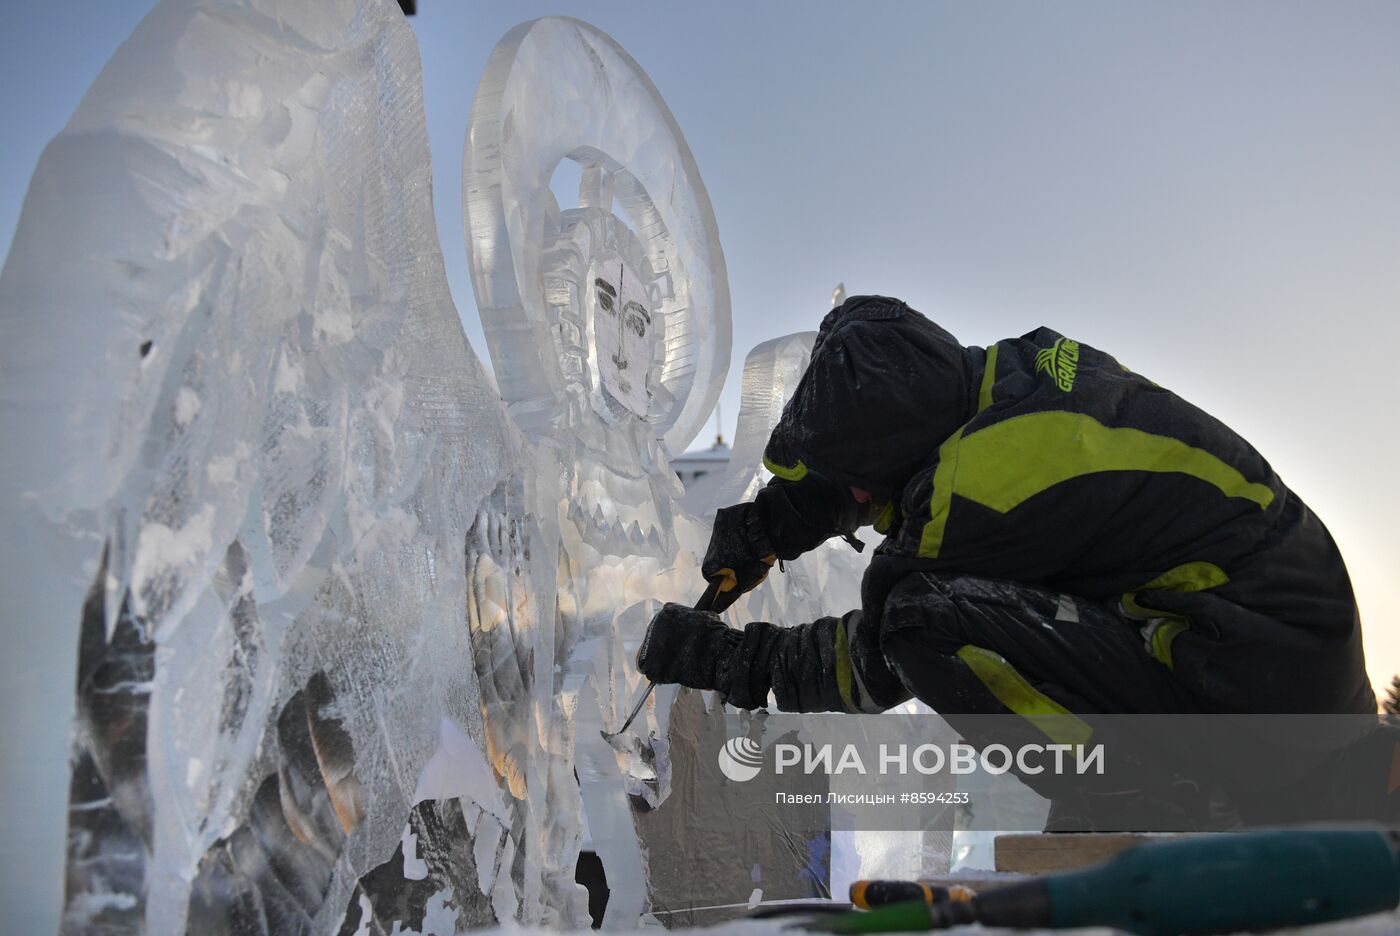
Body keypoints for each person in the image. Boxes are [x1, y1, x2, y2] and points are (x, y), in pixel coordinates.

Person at [637, 295, 1379, 828]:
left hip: (1252, 696)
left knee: (922, 622)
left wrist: (733, 660)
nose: (858, 500)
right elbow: (888, 444)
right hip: (1290, 655)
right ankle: (1159, 777)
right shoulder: (1014, 377)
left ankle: (1171, 798)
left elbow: (878, 658)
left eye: (859, 488)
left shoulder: (979, 489)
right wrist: (771, 523)